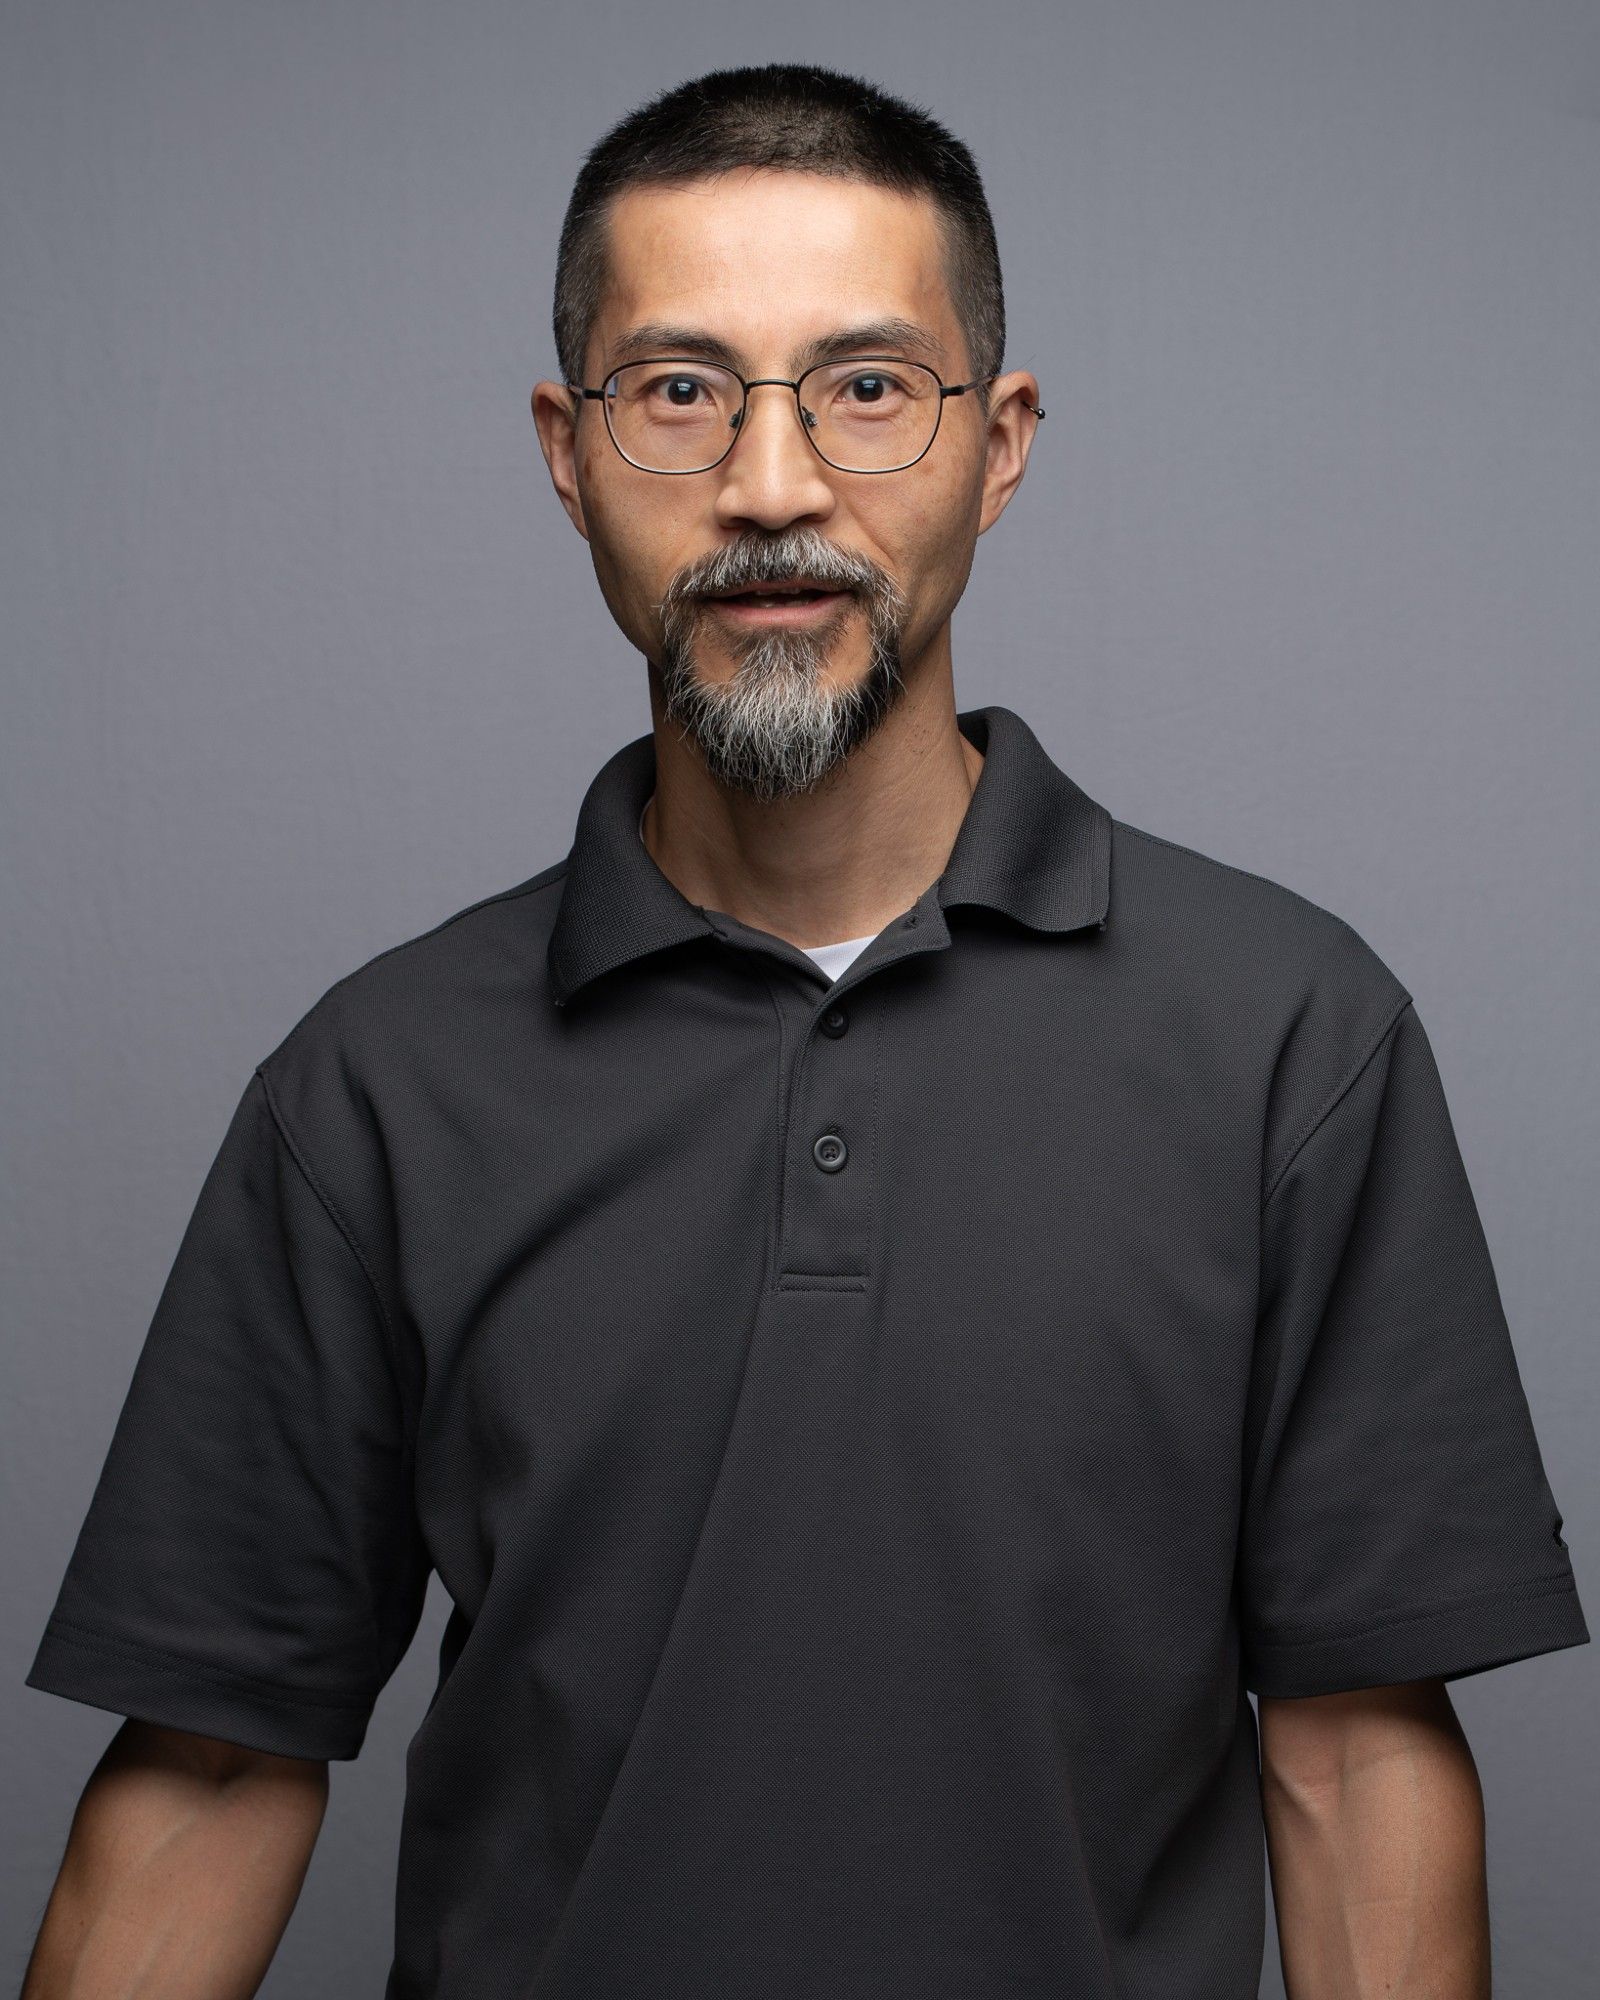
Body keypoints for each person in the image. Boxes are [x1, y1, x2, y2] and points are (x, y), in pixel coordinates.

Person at [20, 62, 1588, 2000]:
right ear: (566, 449)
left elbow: (1354, 1756)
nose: (771, 485)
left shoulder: (1289, 1038)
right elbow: (204, 1768)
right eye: (680, 390)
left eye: (865, 386)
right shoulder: (371, 1087)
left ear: (997, 443)